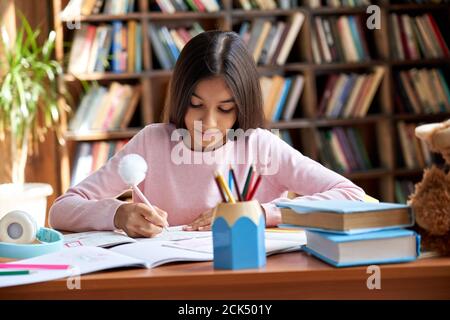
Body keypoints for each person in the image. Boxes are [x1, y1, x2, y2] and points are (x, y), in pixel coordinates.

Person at [49, 31, 365, 237]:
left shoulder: (260, 147)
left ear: (242, 107)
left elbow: (351, 195)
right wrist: (118, 214)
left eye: (225, 109)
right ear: (180, 97)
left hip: (251, 280)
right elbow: (61, 210)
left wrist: (256, 211)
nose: (208, 122)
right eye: (196, 105)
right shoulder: (152, 142)